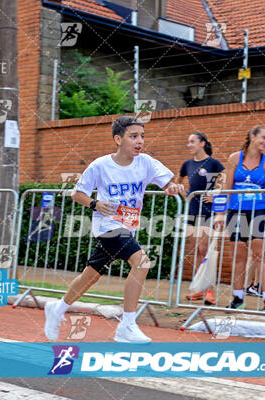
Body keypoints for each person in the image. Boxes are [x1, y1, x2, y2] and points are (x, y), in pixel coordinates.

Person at [43, 116, 184, 343]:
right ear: (118, 139)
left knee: (91, 276)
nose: (140, 141)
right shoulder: (100, 166)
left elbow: (167, 183)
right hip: (108, 226)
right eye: (133, 136)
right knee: (142, 262)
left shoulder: (146, 162)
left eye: (142, 136)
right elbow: (77, 194)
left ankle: (57, 309)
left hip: (128, 228)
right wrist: (94, 204)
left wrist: (173, 187)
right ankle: (127, 325)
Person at [214, 126, 265, 312]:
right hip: (236, 211)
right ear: (252, 136)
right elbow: (226, 187)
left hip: (259, 211)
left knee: (261, 255)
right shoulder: (235, 158)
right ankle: (238, 297)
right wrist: (220, 213)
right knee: (239, 256)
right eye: (263, 138)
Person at [176, 132, 225, 305]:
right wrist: (186, 197)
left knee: (205, 249)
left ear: (202, 143)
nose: (189, 145)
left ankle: (210, 290)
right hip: (192, 211)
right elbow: (178, 182)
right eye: (188, 142)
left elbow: (226, 182)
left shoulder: (213, 163)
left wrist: (216, 195)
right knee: (197, 250)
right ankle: (199, 289)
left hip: (208, 211)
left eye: (192, 142)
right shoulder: (187, 164)